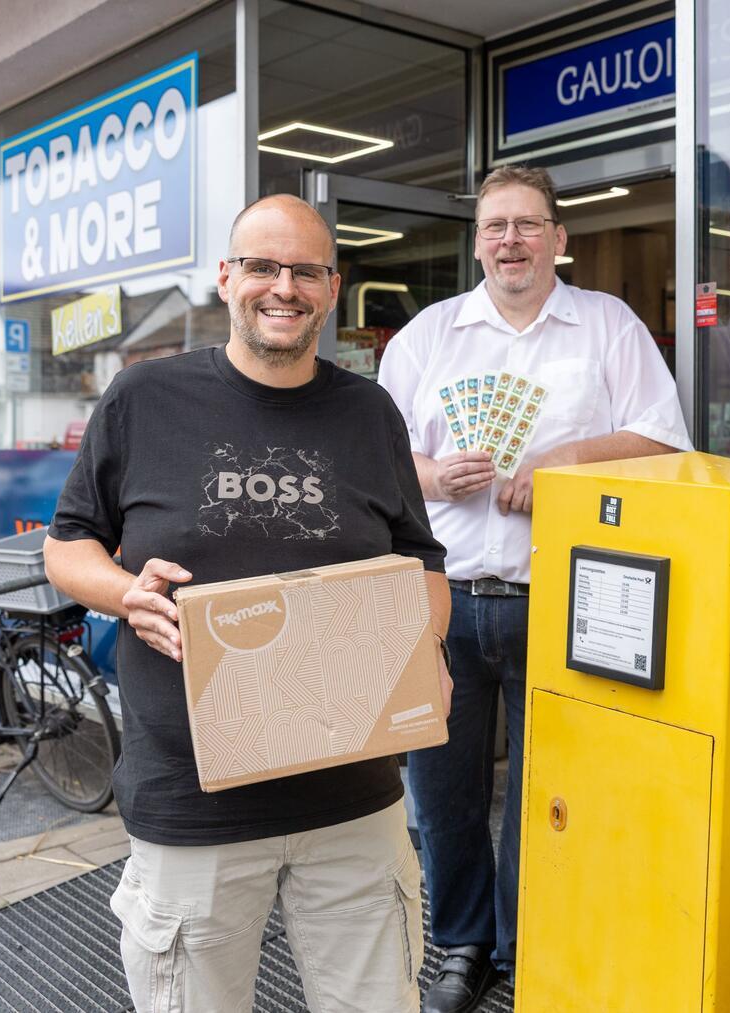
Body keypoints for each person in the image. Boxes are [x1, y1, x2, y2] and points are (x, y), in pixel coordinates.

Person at [43, 193, 451, 1013]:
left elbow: (422, 560)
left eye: (305, 270)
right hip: (193, 799)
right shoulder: (142, 398)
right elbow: (67, 545)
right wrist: (127, 594)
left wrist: (425, 650)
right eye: (263, 266)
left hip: (354, 796)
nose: (283, 287)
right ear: (227, 278)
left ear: (333, 289)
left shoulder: (369, 412)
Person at [378, 164, 691, 1012]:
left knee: (545, 796)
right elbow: (374, 460)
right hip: (443, 599)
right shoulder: (431, 337)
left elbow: (666, 441)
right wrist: (434, 476)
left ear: (560, 238)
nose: (509, 240)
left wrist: (567, 458)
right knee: (441, 792)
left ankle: (525, 947)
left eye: (526, 224)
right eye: (494, 227)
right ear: (477, 241)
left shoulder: (607, 326)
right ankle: (462, 945)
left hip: (564, 601)